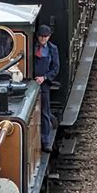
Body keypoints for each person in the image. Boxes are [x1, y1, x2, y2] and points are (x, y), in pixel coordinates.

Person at [34, 24, 59, 153]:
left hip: (44, 84)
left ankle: (46, 141)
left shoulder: (52, 49)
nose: (43, 39)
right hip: (32, 81)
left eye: (45, 37)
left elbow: (55, 68)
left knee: (44, 111)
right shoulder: (32, 47)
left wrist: (44, 78)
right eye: (41, 37)